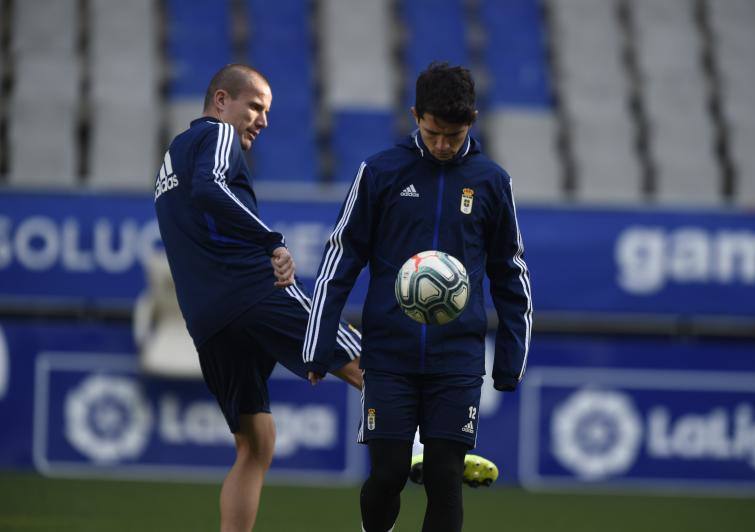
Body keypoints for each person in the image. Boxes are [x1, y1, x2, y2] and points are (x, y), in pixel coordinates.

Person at [302, 62, 533, 532]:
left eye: (454, 133)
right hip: (388, 355)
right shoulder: (380, 172)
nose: (444, 145)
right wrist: (317, 345)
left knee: (445, 477)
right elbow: (340, 259)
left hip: (457, 358)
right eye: (433, 133)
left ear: (472, 121)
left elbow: (510, 273)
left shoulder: (492, 181)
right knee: (387, 475)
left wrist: (509, 361)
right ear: (415, 115)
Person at [154, 63, 363, 532]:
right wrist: (272, 238)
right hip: (249, 291)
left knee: (256, 442)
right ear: (222, 100)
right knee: (361, 358)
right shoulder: (216, 134)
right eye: (255, 106)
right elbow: (212, 189)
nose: (262, 121)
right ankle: (430, 448)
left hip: (207, 321)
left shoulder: (171, 158)